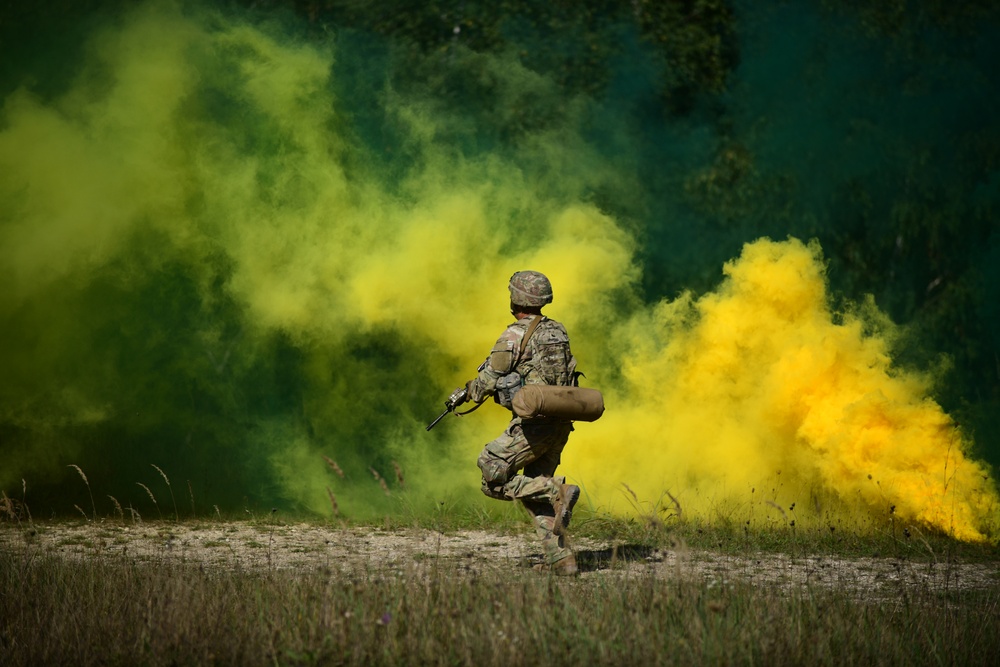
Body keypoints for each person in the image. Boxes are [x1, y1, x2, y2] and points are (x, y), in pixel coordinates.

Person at [460, 270, 582, 576]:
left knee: (490, 470)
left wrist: (469, 392)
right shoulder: (558, 331)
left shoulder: (514, 334)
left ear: (516, 299)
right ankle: (562, 560)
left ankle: (556, 490)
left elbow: (489, 380)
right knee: (533, 493)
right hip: (561, 423)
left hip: (535, 426)